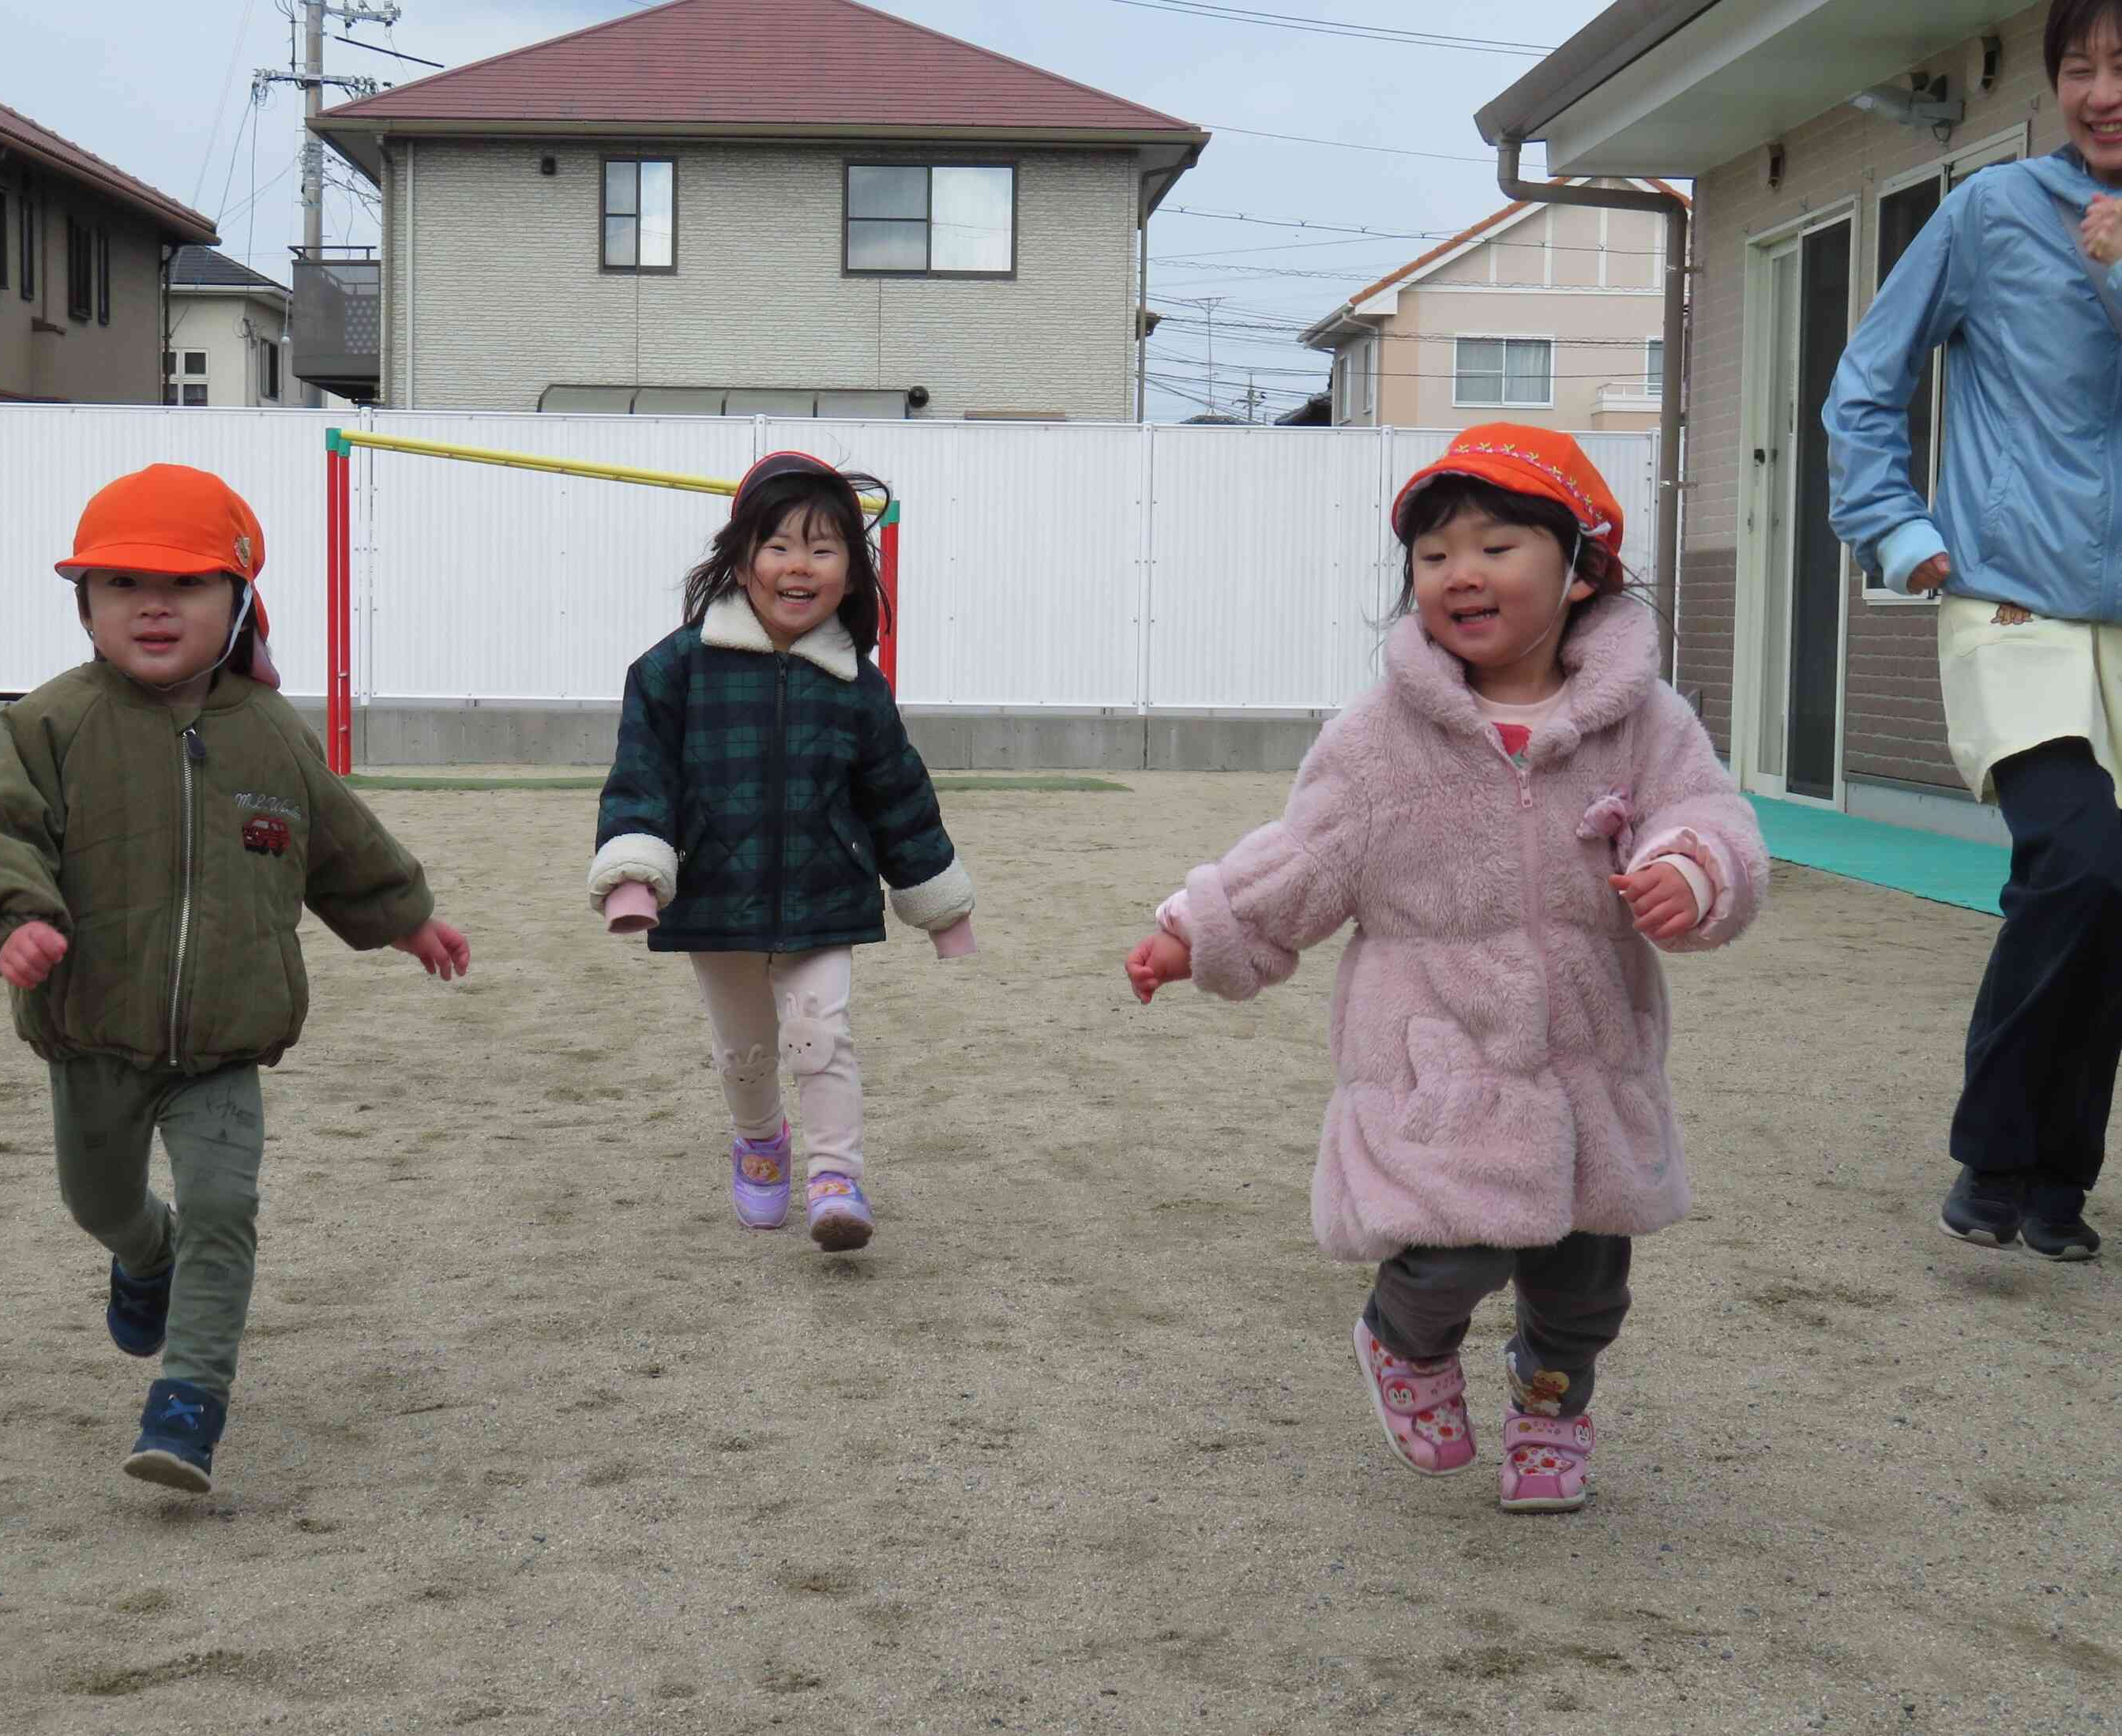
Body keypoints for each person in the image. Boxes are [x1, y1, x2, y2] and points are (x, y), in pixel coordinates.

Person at [1125, 426, 1766, 1512]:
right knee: (1446, 1254)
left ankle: (1551, 1408)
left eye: (1496, 544)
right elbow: (1308, 856)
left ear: (1579, 570)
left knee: (1583, 1278)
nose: (1459, 572)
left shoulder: (1642, 722)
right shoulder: (1380, 737)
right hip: (1436, 1050)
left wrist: (1690, 871)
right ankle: (1401, 1342)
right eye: (1431, 556)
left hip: (1588, 1051)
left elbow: (1707, 814)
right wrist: (1200, 927)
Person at [0, 464, 470, 1494]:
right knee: (100, 1202)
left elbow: (340, 843)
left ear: (236, 602)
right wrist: (14, 919)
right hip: (93, 1028)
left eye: (187, 584)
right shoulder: (46, 725)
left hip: (226, 1039)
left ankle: (189, 1398)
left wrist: (406, 916)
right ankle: (145, 1257)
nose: (153, 606)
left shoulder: (273, 733)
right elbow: (0, 834)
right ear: (85, 605)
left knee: (225, 1204)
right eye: (120, 585)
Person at [1824, 0, 2122, 1263]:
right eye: (2079, 67)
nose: (2101, 90)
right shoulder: (1991, 214)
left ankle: (2056, 1183)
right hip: (2013, 602)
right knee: (2078, 861)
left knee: (2115, 901)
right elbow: (1864, 379)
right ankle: (1994, 1150)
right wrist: (1894, 527)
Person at [588, 453, 976, 1253]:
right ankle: (760, 1143)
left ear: (850, 572)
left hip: (823, 894)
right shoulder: (676, 669)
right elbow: (641, 775)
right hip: (714, 897)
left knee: (820, 1031)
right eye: (779, 546)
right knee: (747, 1049)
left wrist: (940, 903)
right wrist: (634, 874)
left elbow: (899, 794)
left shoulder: (855, 686)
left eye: (825, 548)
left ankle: (836, 1175)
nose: (800, 566)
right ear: (741, 558)